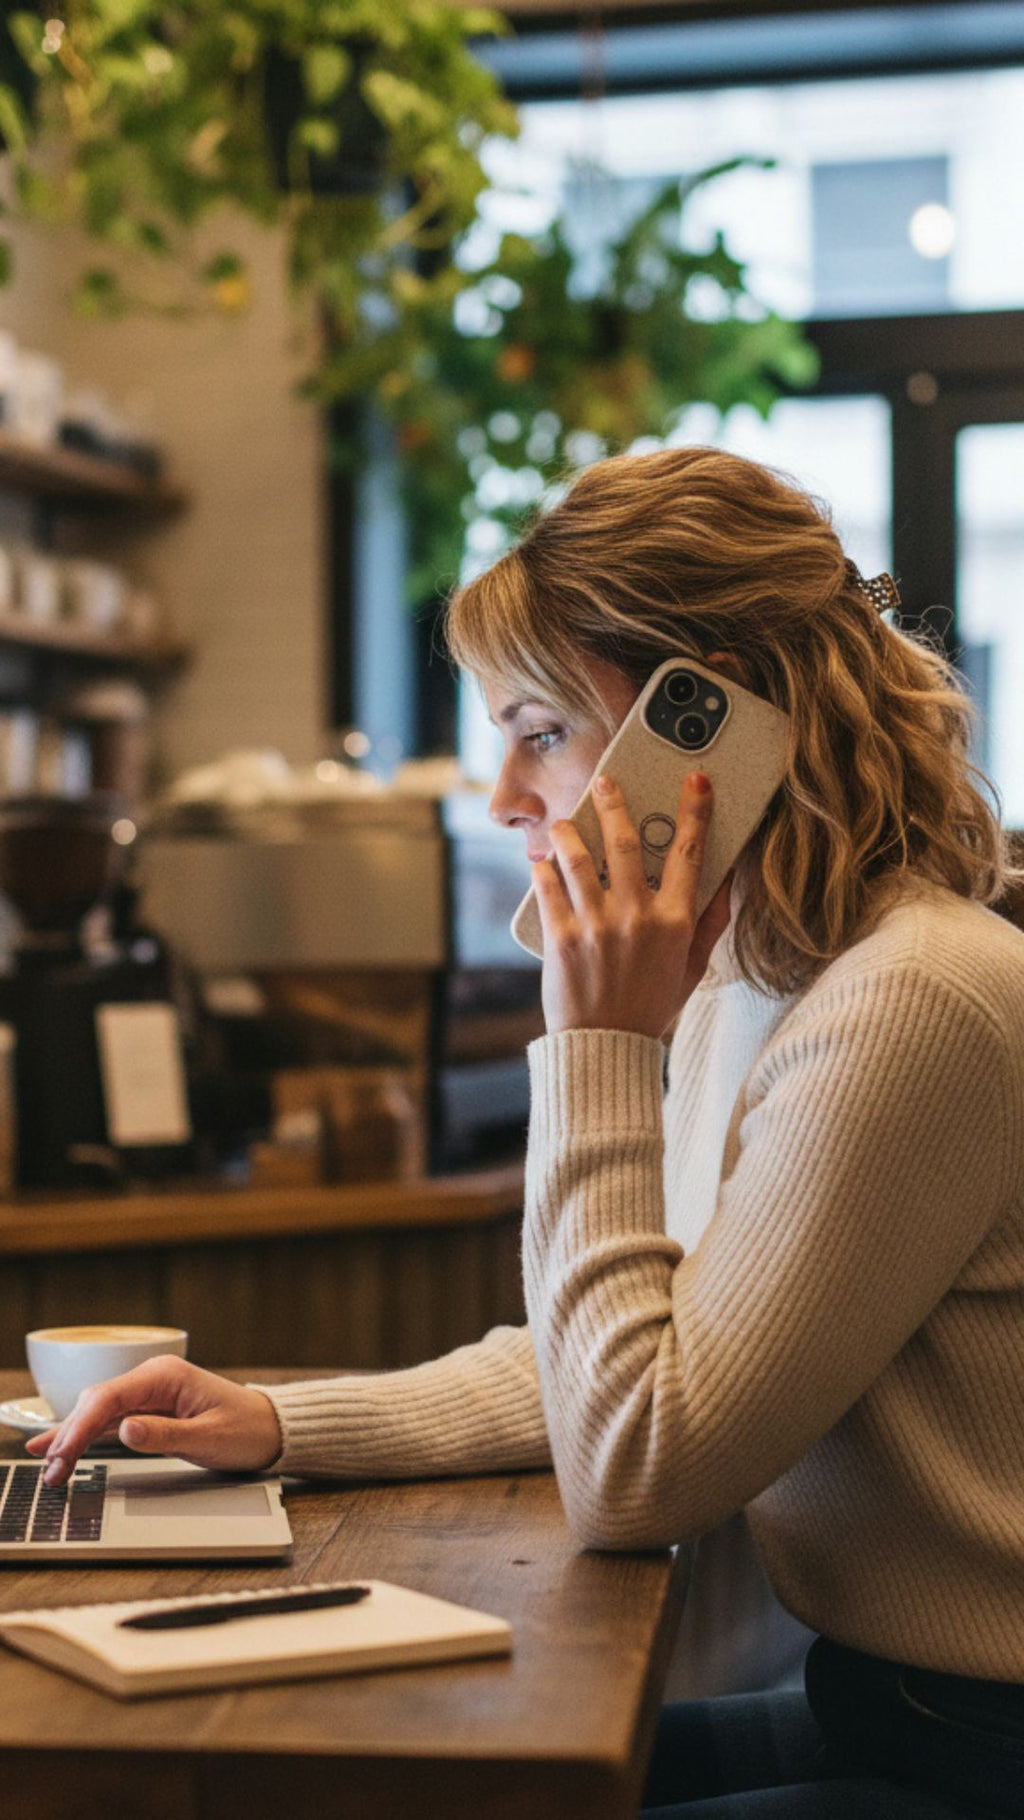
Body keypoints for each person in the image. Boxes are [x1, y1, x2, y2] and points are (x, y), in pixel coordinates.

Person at [30, 448, 1024, 1817]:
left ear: (711, 722)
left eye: (540, 731)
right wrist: (278, 1421)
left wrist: (599, 1042)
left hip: (977, 1746)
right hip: (880, 1707)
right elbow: (613, 1364)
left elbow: (637, 1463)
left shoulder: (911, 1000)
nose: (504, 797)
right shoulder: (770, 978)